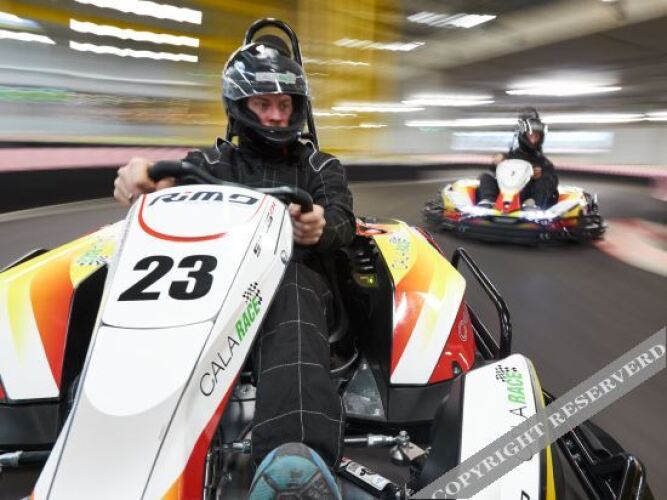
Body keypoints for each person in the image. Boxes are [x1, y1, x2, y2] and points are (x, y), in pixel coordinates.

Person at [113, 33, 353, 499]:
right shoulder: (209, 163)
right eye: (264, 104)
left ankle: (295, 459)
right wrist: (142, 179)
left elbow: (342, 217)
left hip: (294, 289)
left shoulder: (320, 166)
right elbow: (163, 188)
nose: (277, 115)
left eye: (284, 104)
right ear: (240, 106)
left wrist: (320, 226)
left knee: (288, 283)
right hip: (211, 288)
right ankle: (108, 429)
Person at [477, 108, 558, 209]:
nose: (533, 140)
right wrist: (496, 163)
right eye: (531, 136)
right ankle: (488, 202)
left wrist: (540, 176)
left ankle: (533, 205)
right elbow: (494, 171)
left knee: (546, 180)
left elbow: (553, 182)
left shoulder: (544, 163)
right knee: (486, 177)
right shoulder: (509, 156)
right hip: (505, 193)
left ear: (540, 138)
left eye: (536, 136)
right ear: (523, 136)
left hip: (526, 198)